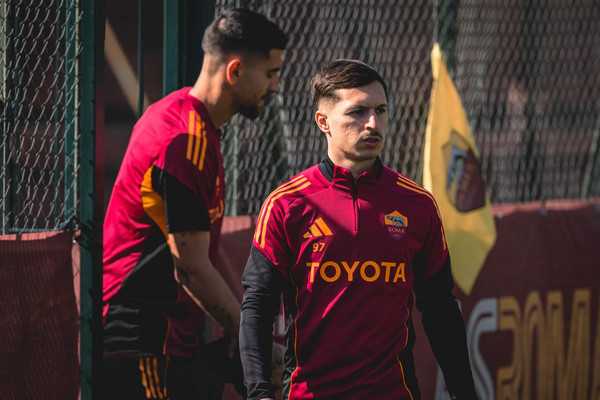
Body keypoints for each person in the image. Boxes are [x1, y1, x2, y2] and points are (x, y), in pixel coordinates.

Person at [239, 59, 477, 400]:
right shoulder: (286, 204)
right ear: (323, 121)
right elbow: (258, 305)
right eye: (357, 112)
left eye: (381, 110)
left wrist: (463, 393)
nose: (373, 123)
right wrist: (258, 392)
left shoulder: (418, 204)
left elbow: (440, 308)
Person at [102, 9, 287, 400]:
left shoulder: (193, 125)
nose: (274, 87)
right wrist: (255, 342)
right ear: (235, 71)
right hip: (141, 341)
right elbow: (191, 268)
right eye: (270, 73)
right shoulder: (183, 141)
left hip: (163, 342)